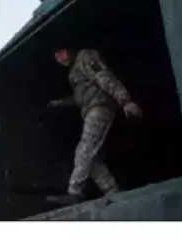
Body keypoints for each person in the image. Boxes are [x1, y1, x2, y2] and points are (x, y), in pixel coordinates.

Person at [46, 48, 143, 206]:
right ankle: (113, 192)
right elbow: (80, 98)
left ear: (70, 49)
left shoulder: (85, 57)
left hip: (99, 107)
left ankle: (74, 192)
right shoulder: (73, 73)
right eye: (56, 56)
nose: (60, 58)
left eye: (61, 52)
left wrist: (125, 101)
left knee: (84, 150)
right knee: (91, 160)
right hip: (90, 109)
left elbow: (104, 77)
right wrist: (59, 103)